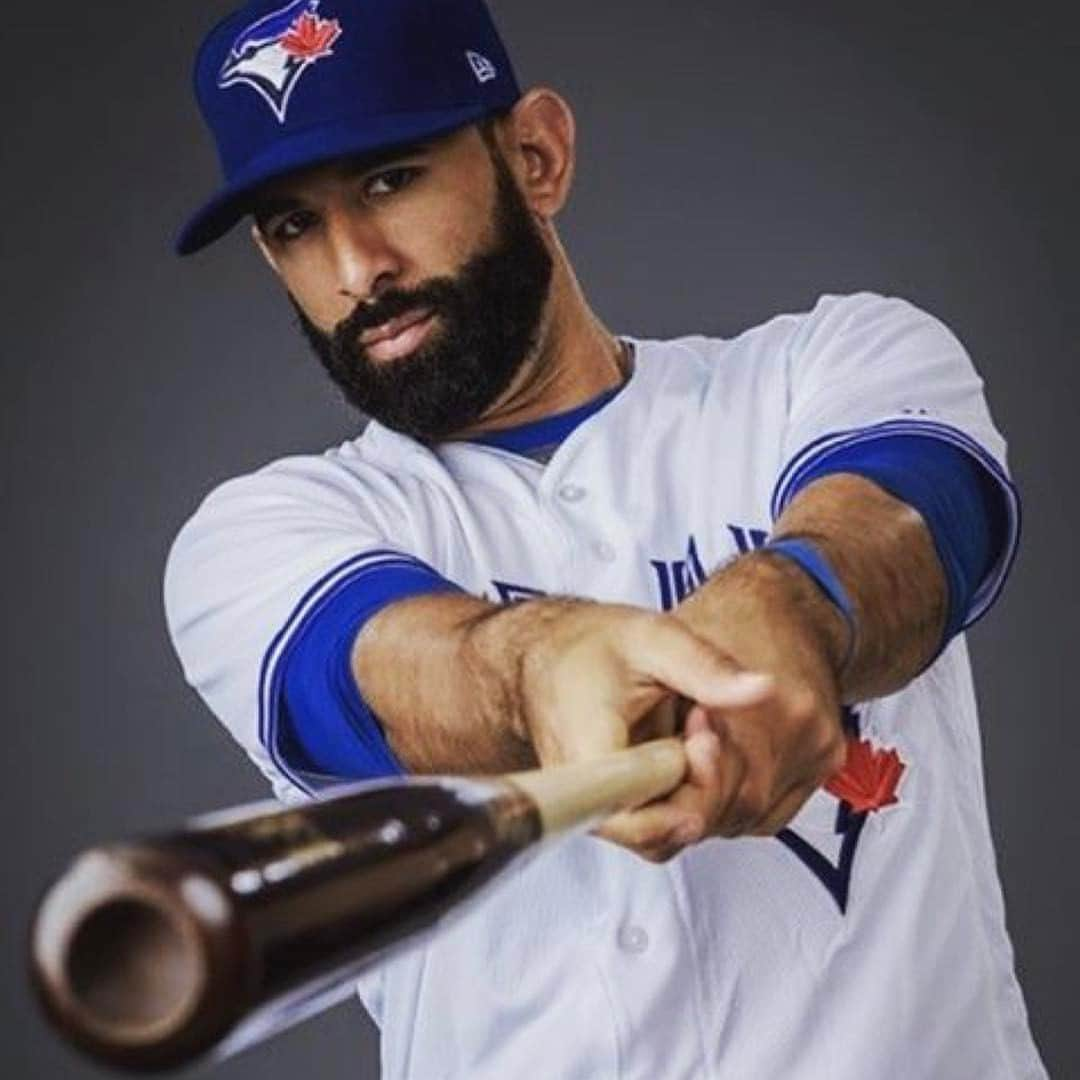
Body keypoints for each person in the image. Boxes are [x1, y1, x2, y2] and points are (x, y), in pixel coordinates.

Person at [164, 1, 1047, 1076]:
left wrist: (789, 610)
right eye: (294, 225)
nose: (355, 268)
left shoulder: (828, 368)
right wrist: (540, 671)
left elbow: (915, 525)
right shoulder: (261, 538)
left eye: (390, 179)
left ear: (535, 155)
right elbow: (377, 671)